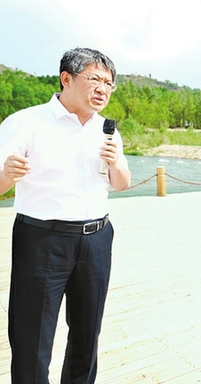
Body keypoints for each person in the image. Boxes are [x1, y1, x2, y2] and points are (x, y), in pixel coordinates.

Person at [0, 47, 131, 383]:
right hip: (42, 239)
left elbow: (121, 183)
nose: (103, 88)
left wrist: (116, 162)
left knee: (87, 334)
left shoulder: (107, 130)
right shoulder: (25, 123)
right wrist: (7, 175)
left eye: (109, 83)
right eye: (95, 79)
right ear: (66, 78)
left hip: (97, 239)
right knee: (32, 336)